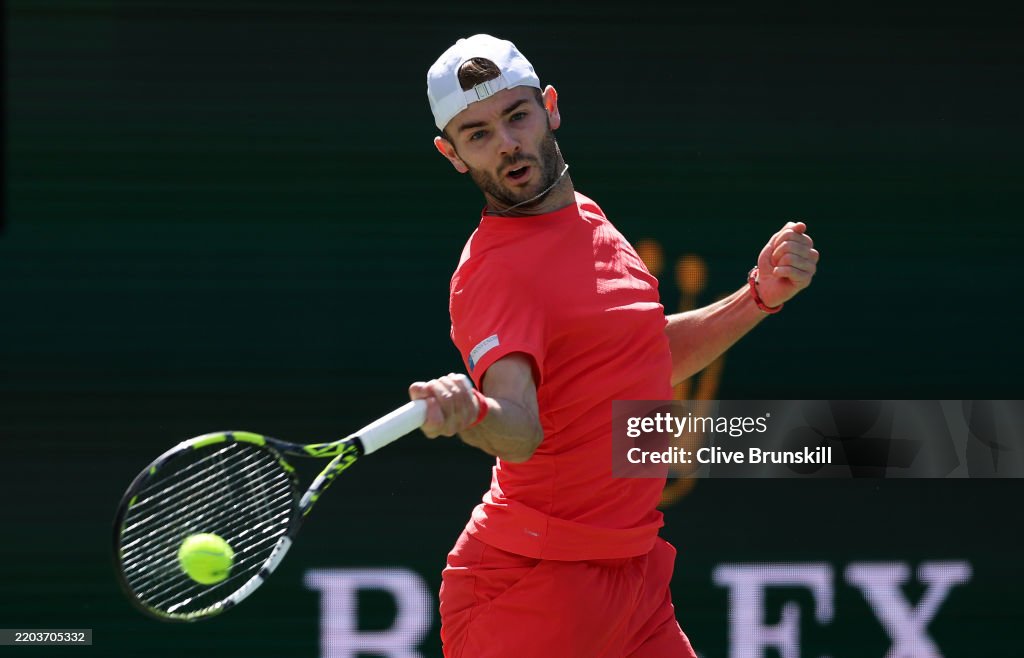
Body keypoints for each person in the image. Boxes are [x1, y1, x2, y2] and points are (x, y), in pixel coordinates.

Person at [409, 34, 819, 658]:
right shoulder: (494, 271)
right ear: (453, 154)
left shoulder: (589, 220)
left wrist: (758, 296)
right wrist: (478, 415)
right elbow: (519, 427)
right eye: (478, 134)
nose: (507, 144)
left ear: (550, 107)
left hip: (630, 573)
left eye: (516, 116)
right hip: (533, 586)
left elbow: (641, 358)